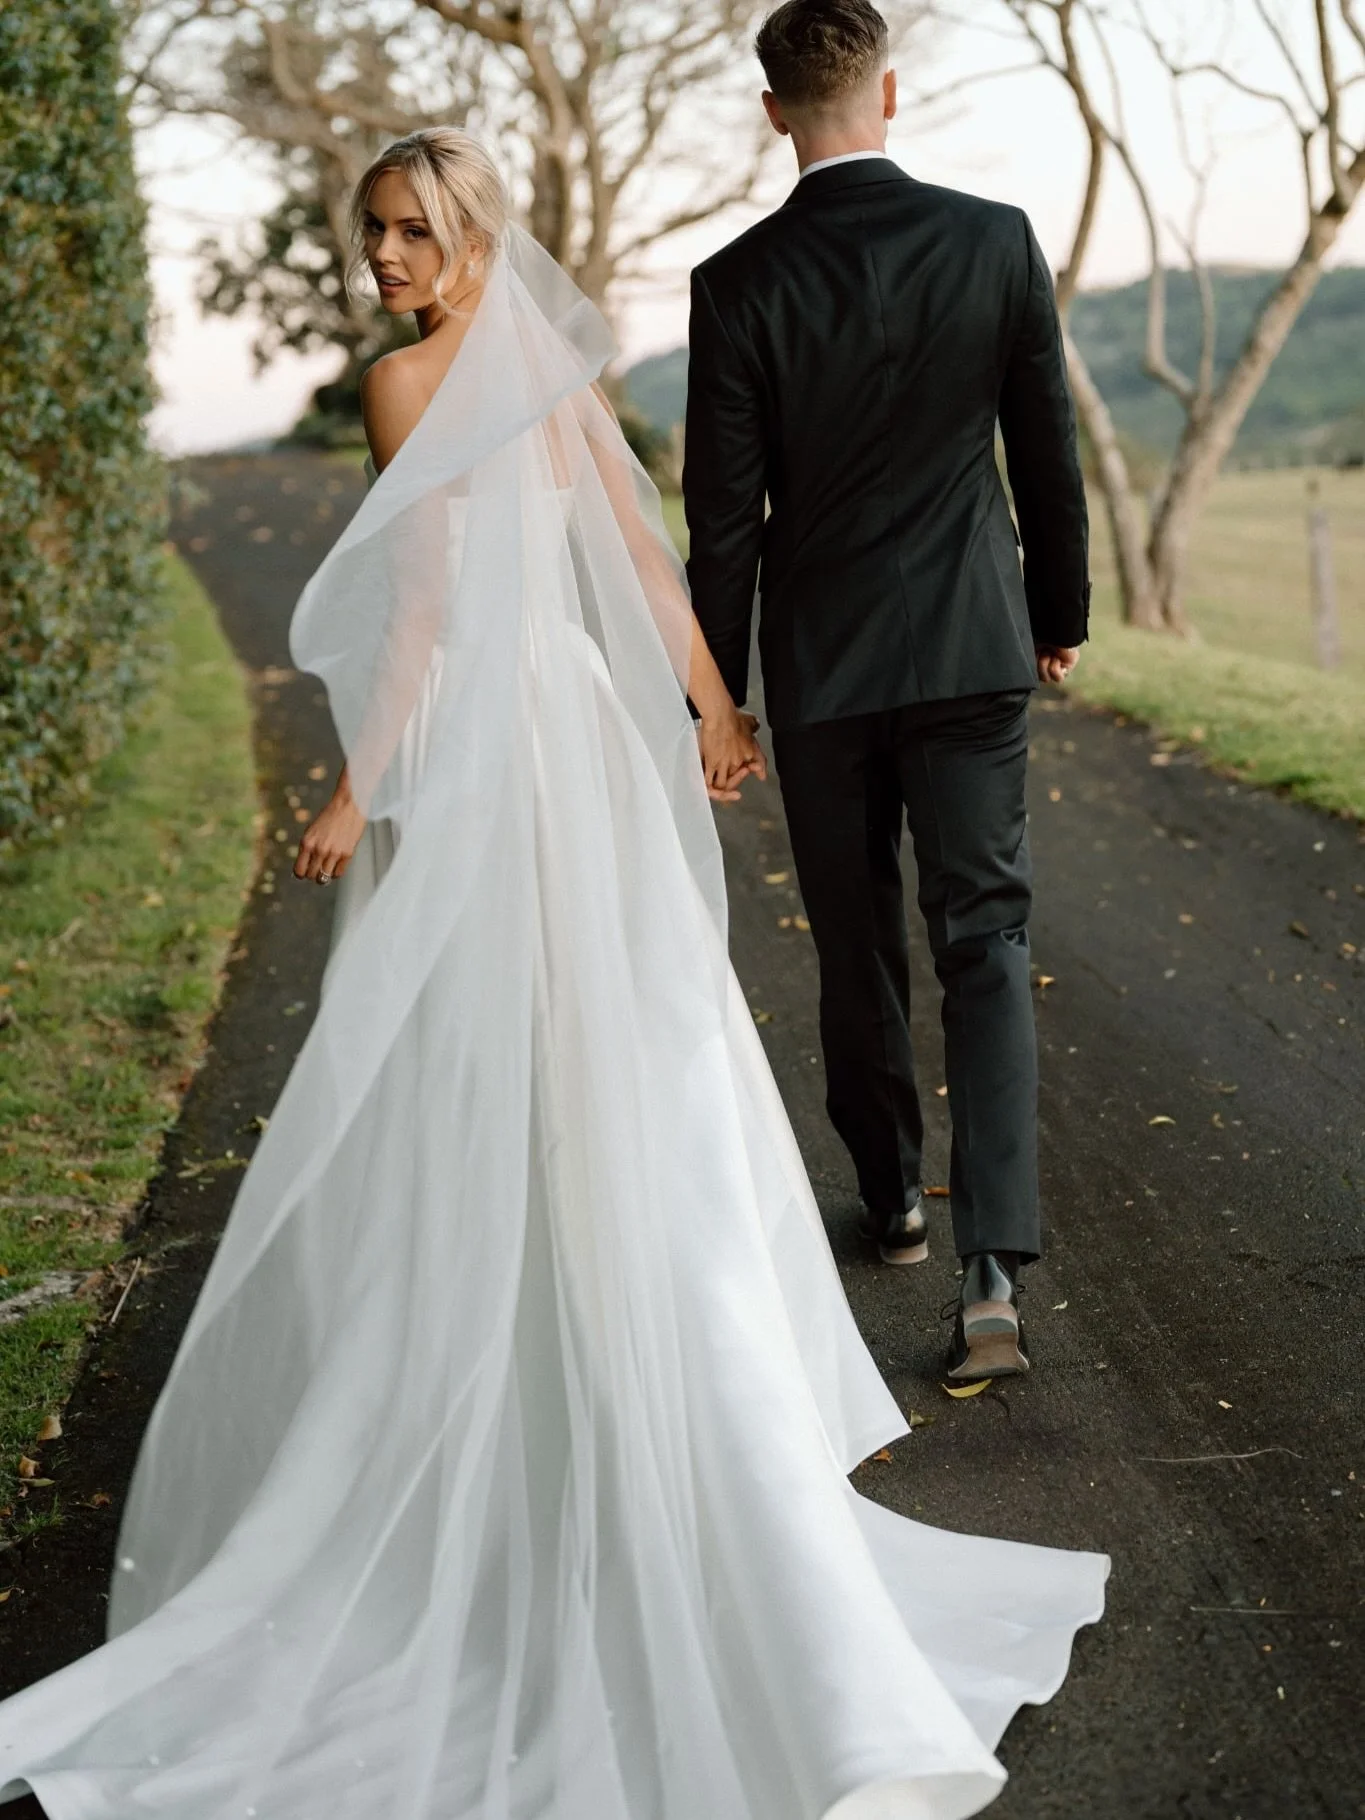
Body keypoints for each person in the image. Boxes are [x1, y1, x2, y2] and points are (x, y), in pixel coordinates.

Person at [0, 127, 1105, 1820]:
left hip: (498, 760)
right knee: (613, 1057)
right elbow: (617, 562)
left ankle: (564, 1392)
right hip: (572, 741)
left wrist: (366, 785)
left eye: (408, 229)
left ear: (467, 231)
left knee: (525, 1064)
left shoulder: (408, 386)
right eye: (372, 229)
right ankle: (622, 1391)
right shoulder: (540, 367)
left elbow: (444, 609)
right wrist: (706, 706)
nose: (383, 256)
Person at [683, 0, 1090, 1383]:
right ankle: (993, 1275)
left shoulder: (736, 283)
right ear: (890, 94)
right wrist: (1057, 616)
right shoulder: (996, 240)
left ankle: (896, 1198)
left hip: (825, 666)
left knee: (853, 938)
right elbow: (1045, 450)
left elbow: (724, 521)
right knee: (987, 935)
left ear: (774, 112)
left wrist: (719, 697)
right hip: (973, 646)